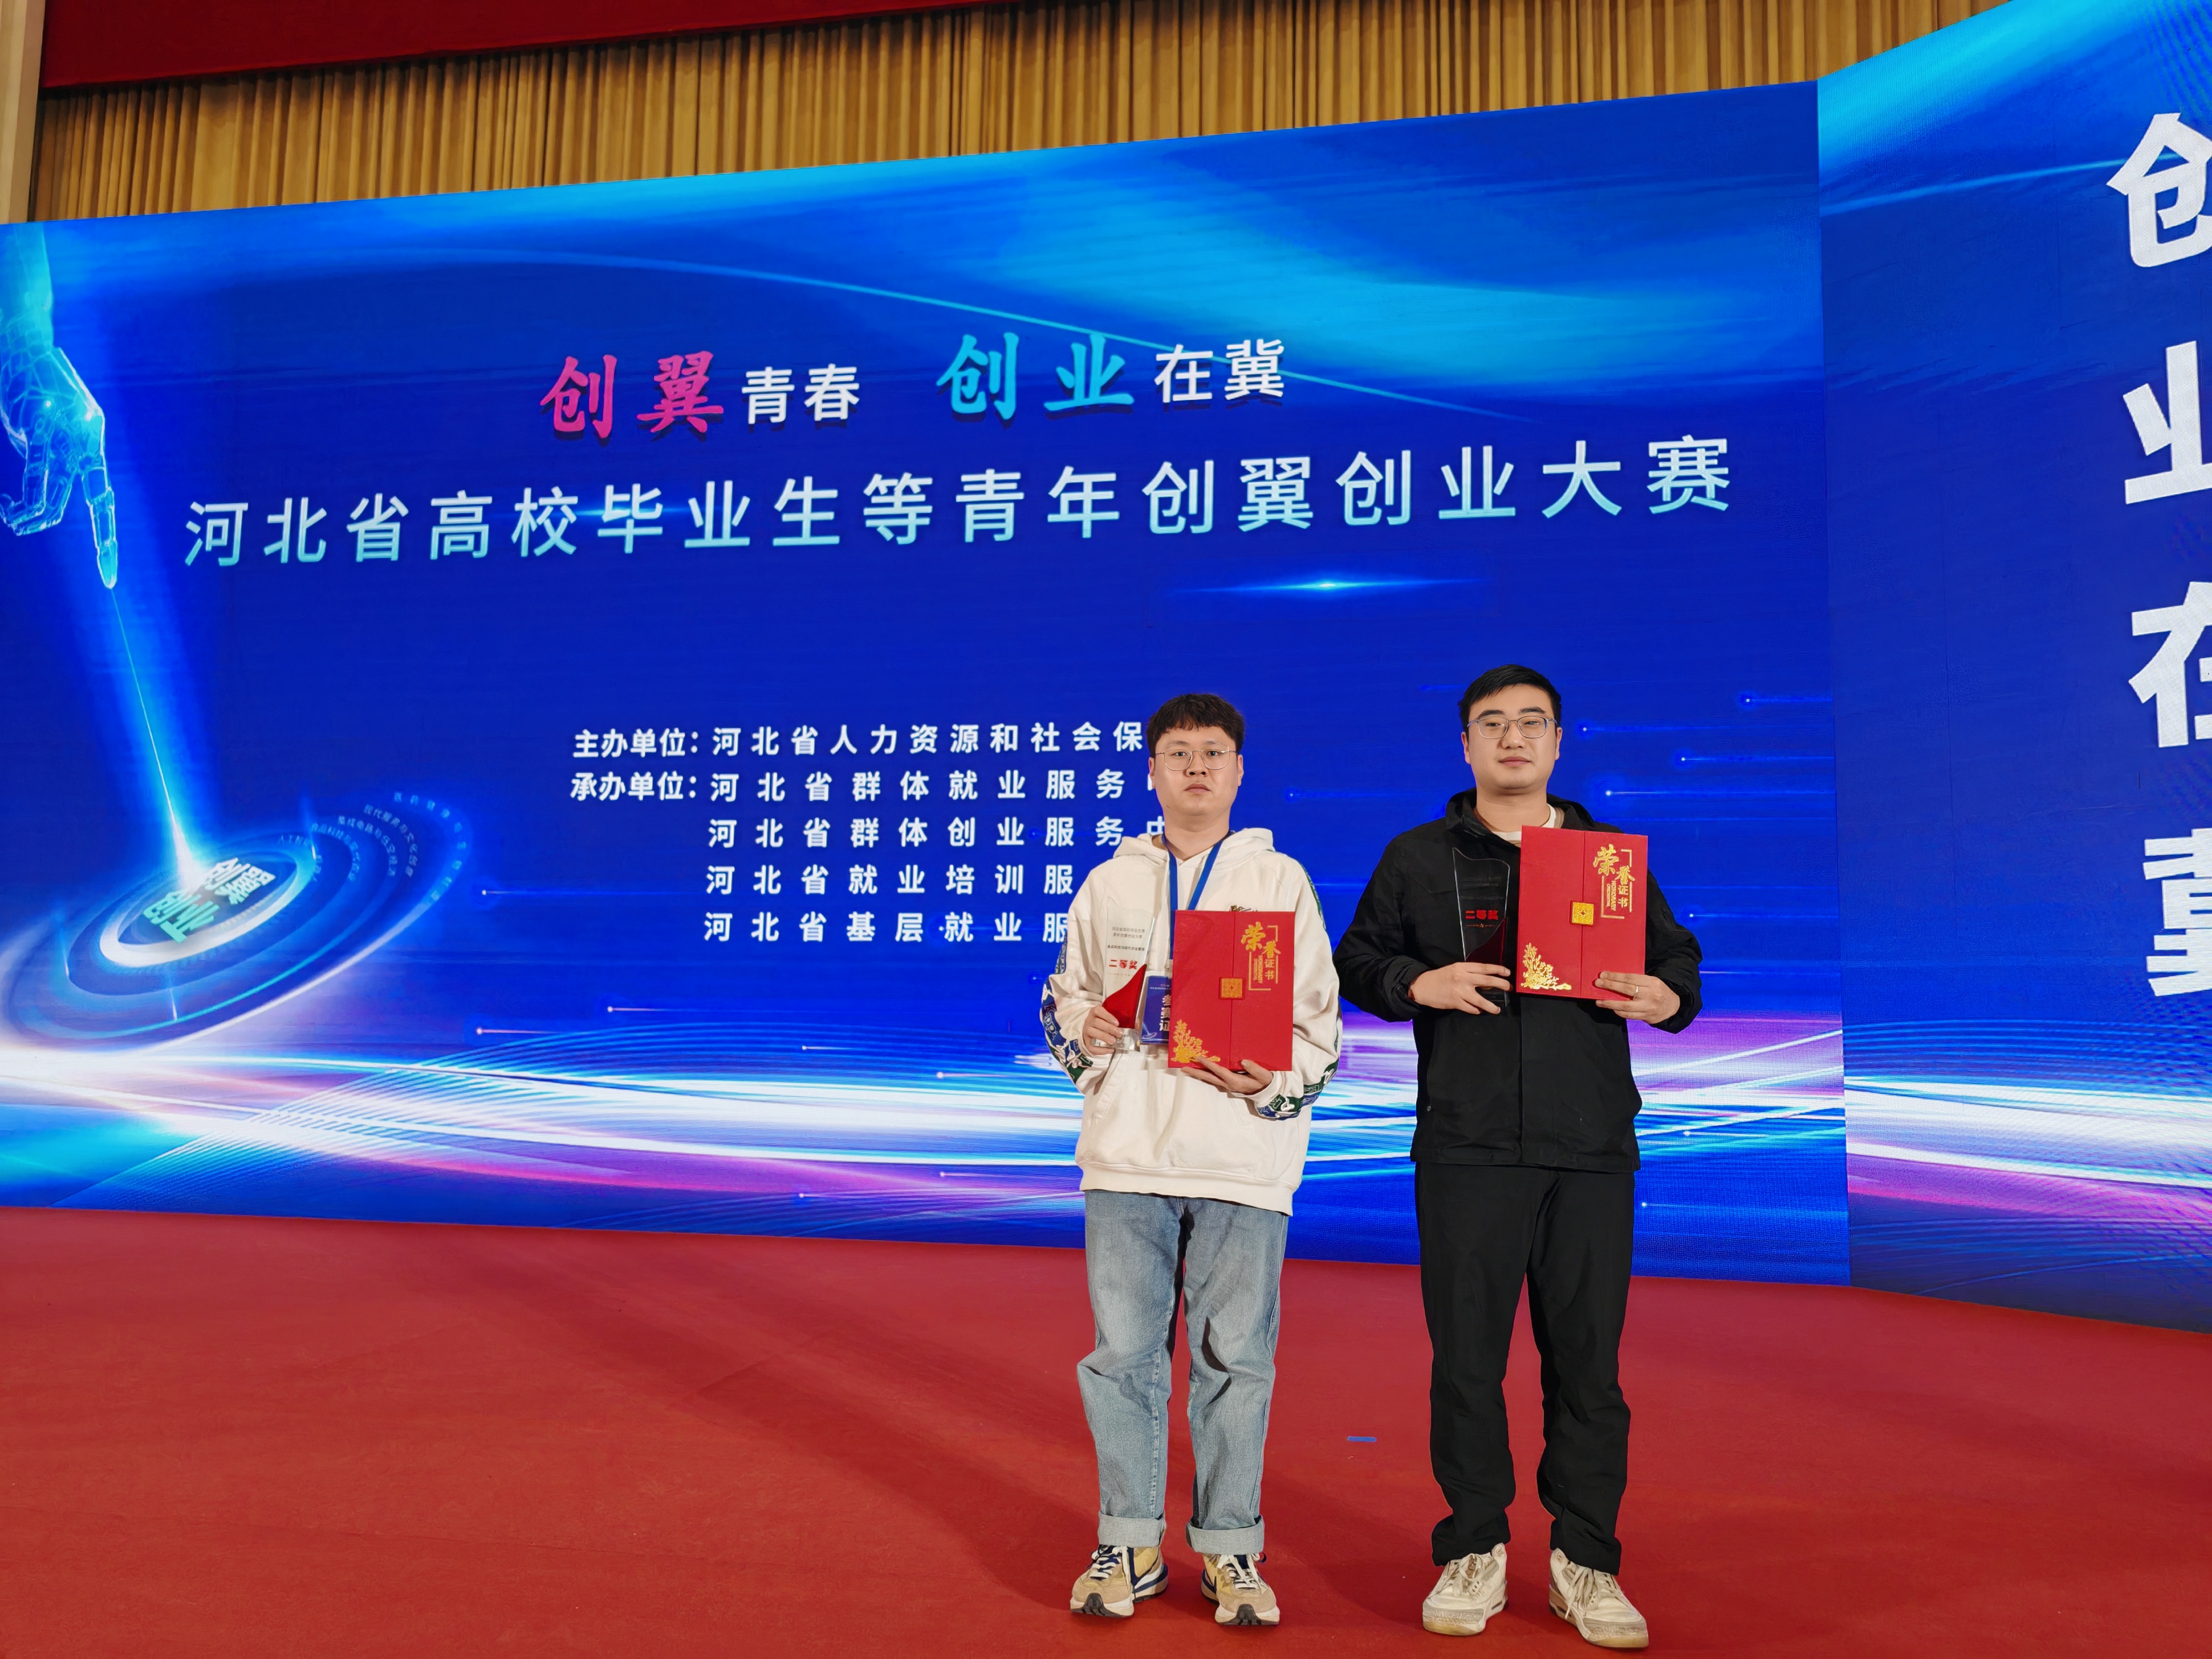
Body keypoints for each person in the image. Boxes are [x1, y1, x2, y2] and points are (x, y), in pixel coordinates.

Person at [1332, 665, 1702, 1650]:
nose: (1512, 738)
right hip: (1469, 1144)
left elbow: (1678, 960)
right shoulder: (1418, 855)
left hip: (1590, 1146)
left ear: (1558, 741)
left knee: (1588, 1367)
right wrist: (1419, 982)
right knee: (1467, 1362)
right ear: (1465, 744)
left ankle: (1587, 1560)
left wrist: (1665, 997)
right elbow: (1356, 962)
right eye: (1492, 724)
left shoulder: (1606, 860)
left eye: (1532, 723)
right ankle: (1473, 1547)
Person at [1041, 691, 1341, 1627]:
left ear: (1240, 770)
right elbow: (1063, 1001)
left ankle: (1230, 1551)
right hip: (1127, 1156)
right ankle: (1128, 1541)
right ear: (1152, 771)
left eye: (1214, 752)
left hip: (1241, 1157)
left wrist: (1267, 1079)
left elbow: (1321, 1029)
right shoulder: (1109, 883)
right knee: (1122, 1359)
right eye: (1179, 753)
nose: (1197, 767)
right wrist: (1087, 1031)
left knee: (1236, 1362)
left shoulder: (1279, 881)